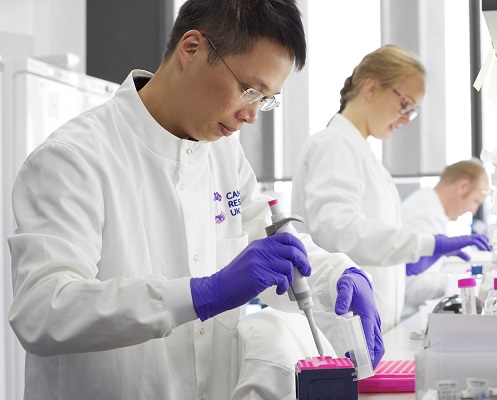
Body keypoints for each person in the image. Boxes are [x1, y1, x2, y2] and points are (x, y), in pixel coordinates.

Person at [7, 1, 383, 399]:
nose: (252, 115)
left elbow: (272, 246)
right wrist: (203, 293)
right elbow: (42, 310)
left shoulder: (222, 154)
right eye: (249, 89)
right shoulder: (75, 157)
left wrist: (337, 274)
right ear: (192, 49)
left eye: (266, 99)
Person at [291, 45, 492, 334]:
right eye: (405, 104)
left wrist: (407, 264)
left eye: (413, 111)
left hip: (371, 326)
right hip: (340, 327)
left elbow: (371, 243)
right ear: (371, 88)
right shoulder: (334, 145)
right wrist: (425, 244)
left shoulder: (365, 157)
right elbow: (339, 231)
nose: (406, 119)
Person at [401, 159, 490, 318]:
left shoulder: (431, 208)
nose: (474, 210)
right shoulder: (424, 214)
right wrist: (469, 283)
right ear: (463, 186)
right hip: (402, 318)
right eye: (476, 201)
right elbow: (412, 289)